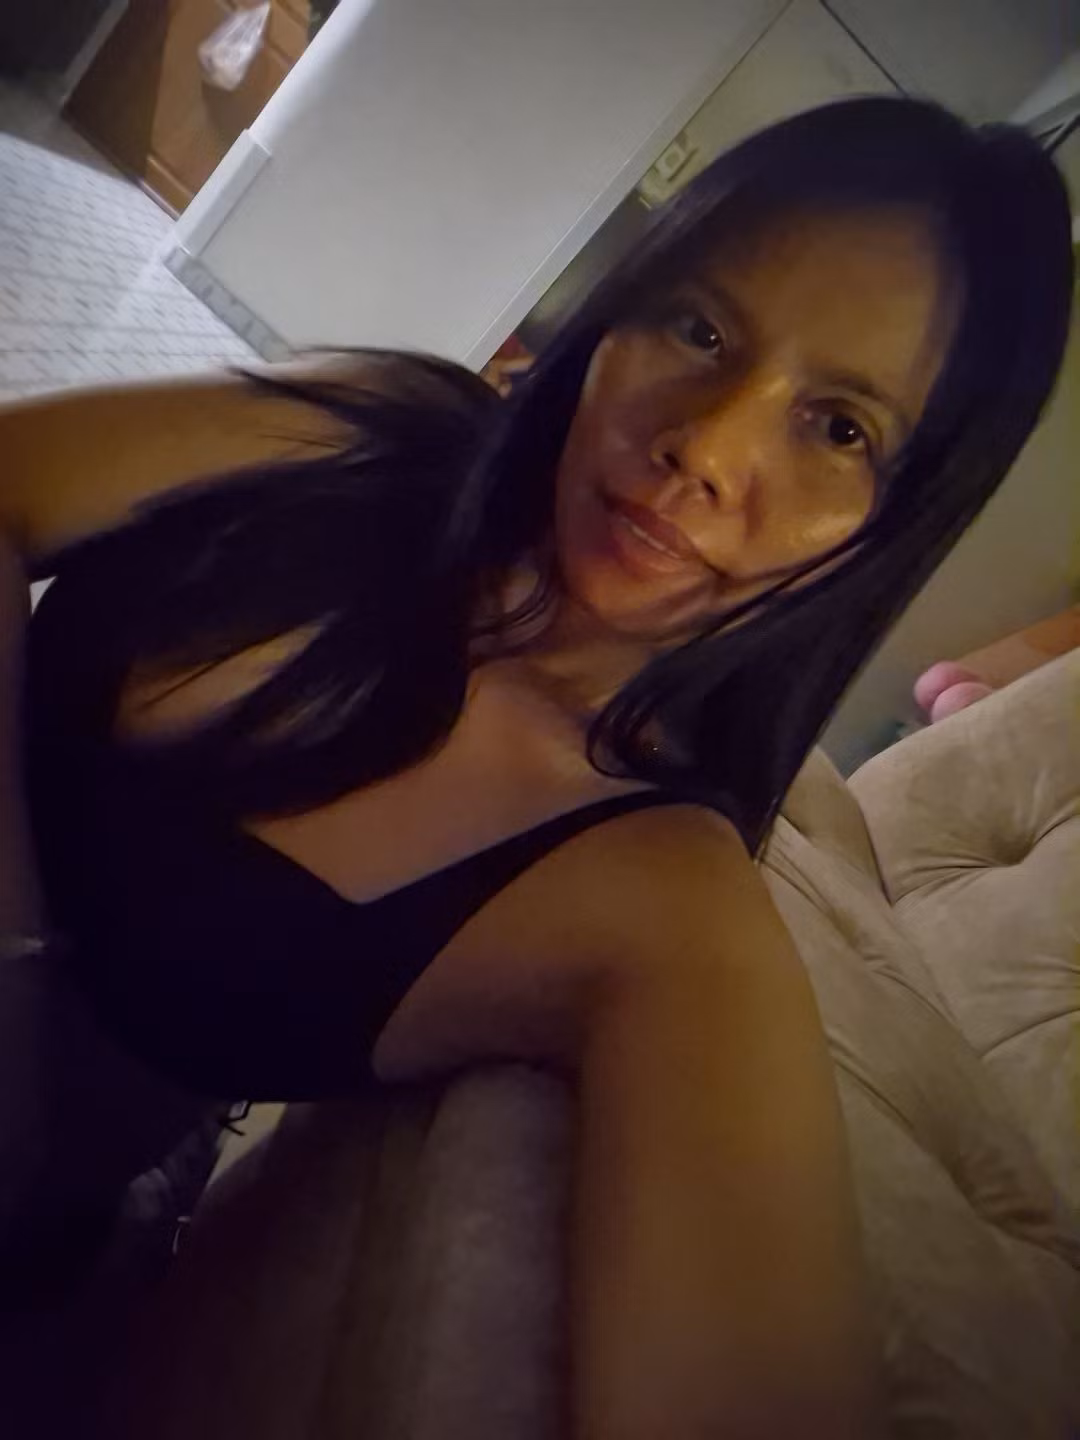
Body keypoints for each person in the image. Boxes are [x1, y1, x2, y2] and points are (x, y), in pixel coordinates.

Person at [0, 96, 1071, 1436]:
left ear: (896, 522)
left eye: (839, 428)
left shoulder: (657, 896)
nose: (707, 445)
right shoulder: (386, 426)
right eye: (700, 329)